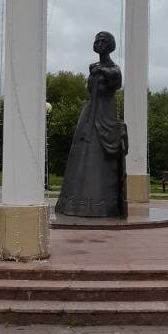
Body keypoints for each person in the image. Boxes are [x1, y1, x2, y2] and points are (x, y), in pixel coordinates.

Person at [55, 31, 128, 218]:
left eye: (103, 41)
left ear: (110, 45)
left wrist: (102, 71)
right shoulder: (92, 67)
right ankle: (75, 202)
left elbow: (116, 80)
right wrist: (96, 70)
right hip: (89, 112)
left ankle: (104, 204)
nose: (99, 43)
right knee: (82, 154)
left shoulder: (113, 68)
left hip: (105, 113)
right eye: (97, 41)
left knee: (101, 156)